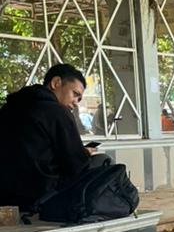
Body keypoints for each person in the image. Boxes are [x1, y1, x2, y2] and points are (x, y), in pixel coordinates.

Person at [0, 64, 104, 214]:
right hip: (40, 195)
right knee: (102, 161)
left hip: (4, 194)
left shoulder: (9, 108)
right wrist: (84, 153)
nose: (76, 102)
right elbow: (74, 165)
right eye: (75, 94)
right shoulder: (57, 112)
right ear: (56, 83)